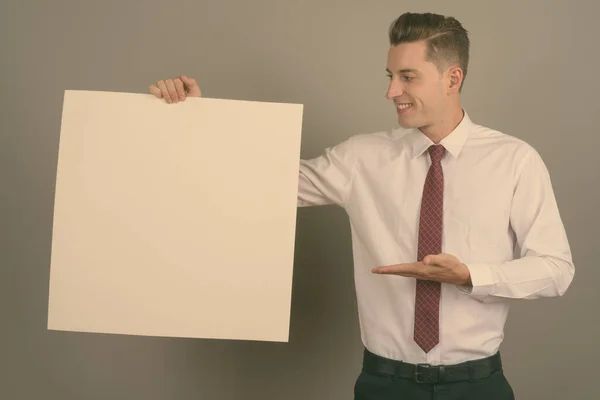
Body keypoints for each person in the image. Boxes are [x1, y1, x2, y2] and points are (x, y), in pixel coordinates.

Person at [148, 12, 574, 400]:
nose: (391, 91)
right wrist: (197, 119)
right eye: (390, 75)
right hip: (384, 385)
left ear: (452, 78)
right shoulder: (360, 158)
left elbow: (556, 269)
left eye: (408, 77)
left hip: (478, 386)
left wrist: (469, 276)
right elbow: (260, 184)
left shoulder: (515, 161)